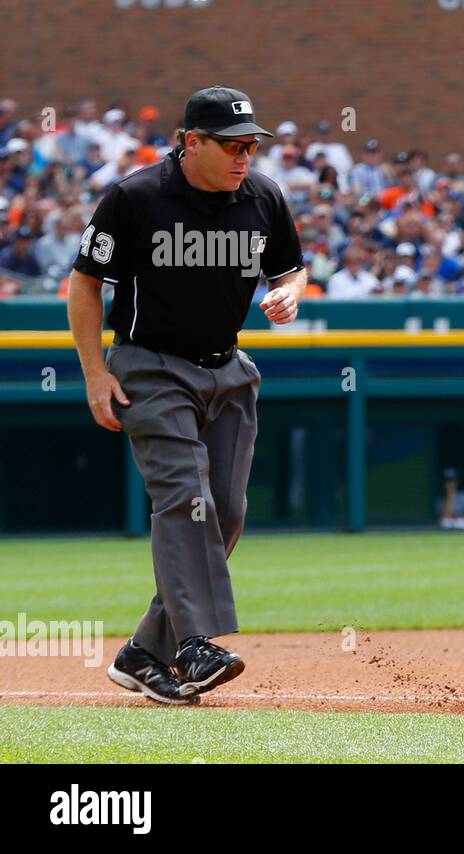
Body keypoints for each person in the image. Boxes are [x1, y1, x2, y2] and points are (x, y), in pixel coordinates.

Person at [67, 86, 306, 705]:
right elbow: (85, 283)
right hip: (150, 367)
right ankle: (194, 645)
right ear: (191, 142)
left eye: (251, 145)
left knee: (225, 511)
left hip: (228, 370)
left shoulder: (264, 195)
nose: (244, 156)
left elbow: (289, 266)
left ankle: (145, 651)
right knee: (185, 497)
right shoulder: (136, 196)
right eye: (231, 145)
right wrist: (96, 374)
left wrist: (292, 292)